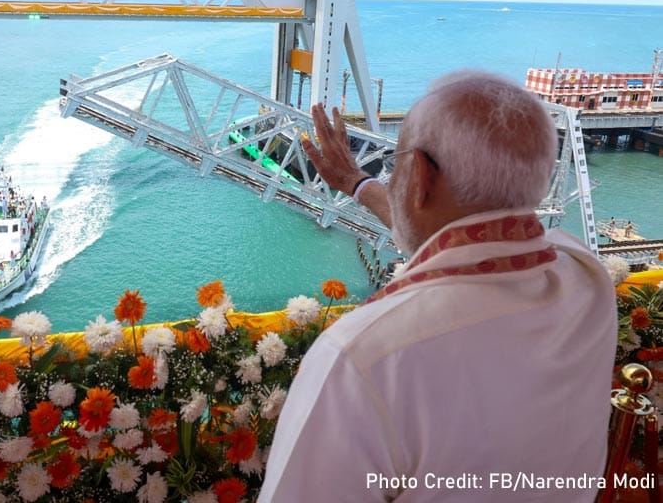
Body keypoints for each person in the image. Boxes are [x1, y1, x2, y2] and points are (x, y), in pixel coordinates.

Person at [258, 71, 616, 502]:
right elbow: (458, 241)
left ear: (420, 176)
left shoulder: (366, 358)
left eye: (395, 164)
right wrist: (358, 184)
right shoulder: (586, 280)